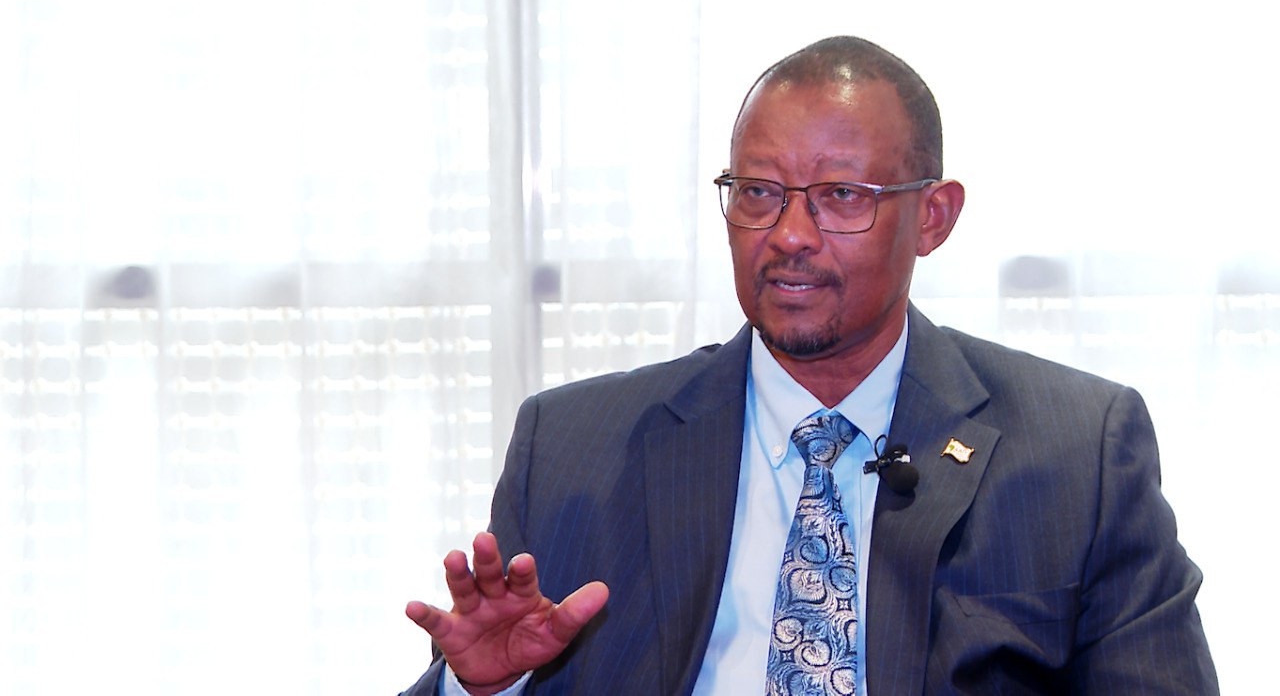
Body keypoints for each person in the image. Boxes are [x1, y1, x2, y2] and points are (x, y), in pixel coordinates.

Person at [399, 36, 1218, 695]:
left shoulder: (1077, 454)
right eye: (758, 192)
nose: (789, 234)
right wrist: (482, 688)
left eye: (841, 196)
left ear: (933, 217)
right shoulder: (572, 447)